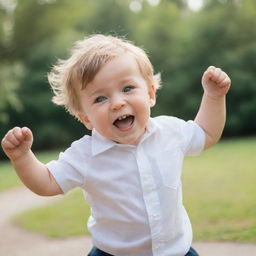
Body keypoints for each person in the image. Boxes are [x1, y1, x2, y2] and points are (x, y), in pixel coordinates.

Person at [1, 34, 231, 256]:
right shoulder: (86, 155)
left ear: (150, 93)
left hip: (176, 251)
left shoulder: (170, 132)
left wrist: (214, 96)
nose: (117, 103)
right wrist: (22, 158)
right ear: (86, 118)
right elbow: (47, 183)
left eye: (127, 88)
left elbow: (206, 133)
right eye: (100, 98)